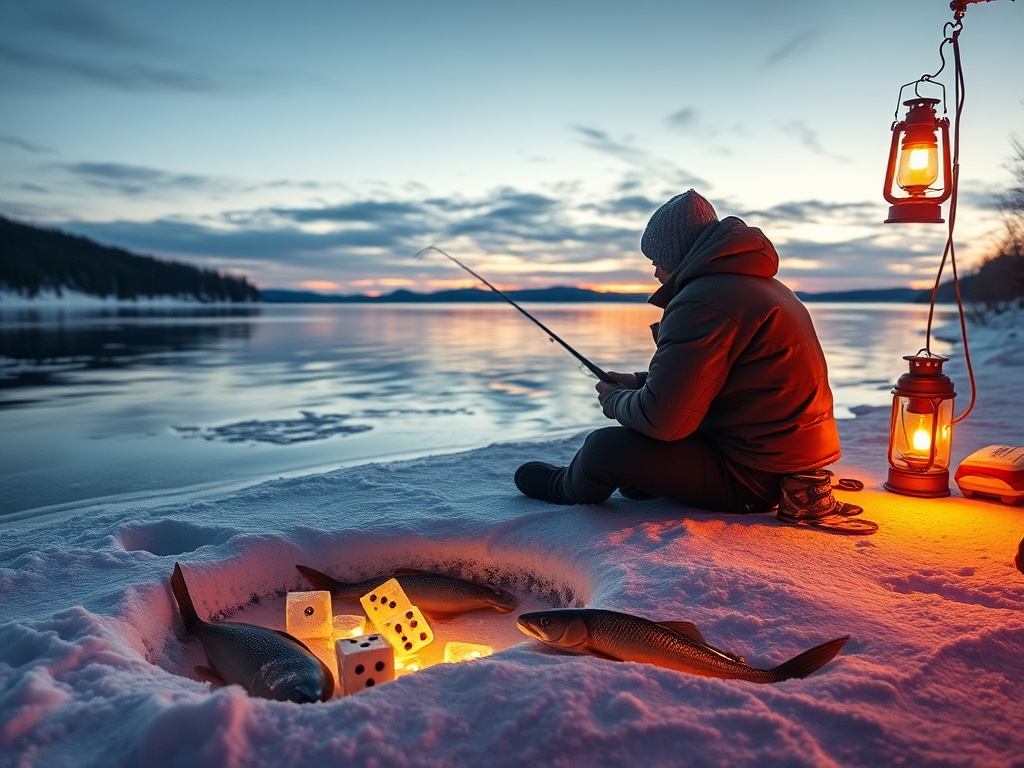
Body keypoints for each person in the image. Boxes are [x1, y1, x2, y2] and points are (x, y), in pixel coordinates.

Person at [514, 190, 873, 532]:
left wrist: (614, 400)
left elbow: (664, 422)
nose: (655, 273)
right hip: (788, 465)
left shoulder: (703, 300)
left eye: (657, 261)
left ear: (677, 255)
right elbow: (729, 379)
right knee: (640, 452)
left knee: (604, 449)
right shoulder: (760, 286)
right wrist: (639, 382)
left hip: (753, 478)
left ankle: (565, 487)